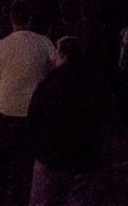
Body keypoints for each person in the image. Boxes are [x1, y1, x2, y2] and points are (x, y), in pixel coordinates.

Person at [0, 0, 56, 206]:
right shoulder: (44, 43)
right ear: (30, 19)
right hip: (33, 112)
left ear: (11, 19)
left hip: (6, 110)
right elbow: (55, 69)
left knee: (1, 161)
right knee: (26, 162)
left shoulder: (0, 46)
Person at [26, 36, 103, 206]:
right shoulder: (93, 83)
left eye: (56, 52)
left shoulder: (49, 83)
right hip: (84, 155)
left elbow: (34, 115)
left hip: (52, 154)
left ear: (63, 55)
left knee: (45, 199)